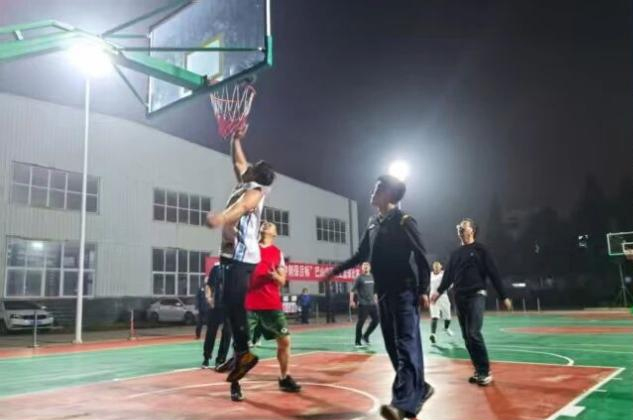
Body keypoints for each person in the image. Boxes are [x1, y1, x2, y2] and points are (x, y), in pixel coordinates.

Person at [324, 175, 433, 420]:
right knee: (393, 347)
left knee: (406, 345)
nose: (372, 192)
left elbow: (421, 256)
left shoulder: (404, 221)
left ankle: (400, 404)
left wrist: (423, 290)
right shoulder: (373, 224)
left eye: (377, 189)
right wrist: (335, 270)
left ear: (388, 194)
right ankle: (420, 388)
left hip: (404, 291)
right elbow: (360, 255)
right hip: (383, 293)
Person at [205, 123, 275, 390]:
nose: (247, 166)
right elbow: (237, 161)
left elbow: (243, 207)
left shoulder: (255, 191)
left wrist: (221, 218)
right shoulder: (246, 182)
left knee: (235, 305)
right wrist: (235, 139)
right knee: (229, 305)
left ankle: (244, 353)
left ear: (256, 174)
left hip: (243, 257)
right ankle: (241, 353)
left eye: (252, 167)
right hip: (231, 255)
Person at [431, 218, 512, 386]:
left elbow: (493, 273)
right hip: (459, 297)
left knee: (474, 332)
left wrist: (503, 296)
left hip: (476, 294)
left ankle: (485, 372)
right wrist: (438, 292)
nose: (460, 229)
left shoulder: (481, 250)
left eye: (464, 227)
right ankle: (478, 369)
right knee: (467, 336)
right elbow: (448, 276)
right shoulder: (455, 254)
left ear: (472, 230)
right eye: (459, 227)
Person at [241, 221, 301, 398]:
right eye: (264, 223)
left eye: (271, 224)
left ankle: (284, 377)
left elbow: (282, 281)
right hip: (250, 304)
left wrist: (275, 276)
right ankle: (236, 384)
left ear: (274, 233)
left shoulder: (278, 253)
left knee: (285, 341)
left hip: (271, 305)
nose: (266, 224)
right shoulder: (249, 248)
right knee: (242, 346)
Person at [201, 263, 233, 369]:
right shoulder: (216, 268)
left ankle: (220, 360)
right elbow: (209, 285)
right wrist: (208, 297)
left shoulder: (236, 268)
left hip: (229, 306)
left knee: (227, 332)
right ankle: (206, 357)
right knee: (211, 331)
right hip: (216, 305)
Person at [350, 262, 379, 348]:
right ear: (362, 268)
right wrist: (351, 301)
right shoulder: (359, 278)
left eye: (367, 266)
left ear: (370, 268)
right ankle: (357, 341)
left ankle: (366, 336)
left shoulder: (373, 277)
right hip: (363, 304)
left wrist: (376, 299)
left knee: (376, 320)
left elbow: (374, 290)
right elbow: (352, 291)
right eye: (364, 266)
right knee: (361, 323)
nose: (365, 267)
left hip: (372, 304)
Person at [428, 261, 453, 344]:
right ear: (433, 268)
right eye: (435, 267)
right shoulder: (430, 275)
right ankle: (433, 335)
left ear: (441, 267)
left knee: (448, 317)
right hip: (433, 297)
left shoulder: (444, 274)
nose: (436, 268)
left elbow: (450, 284)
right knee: (434, 316)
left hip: (443, 297)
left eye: (438, 267)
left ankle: (446, 328)